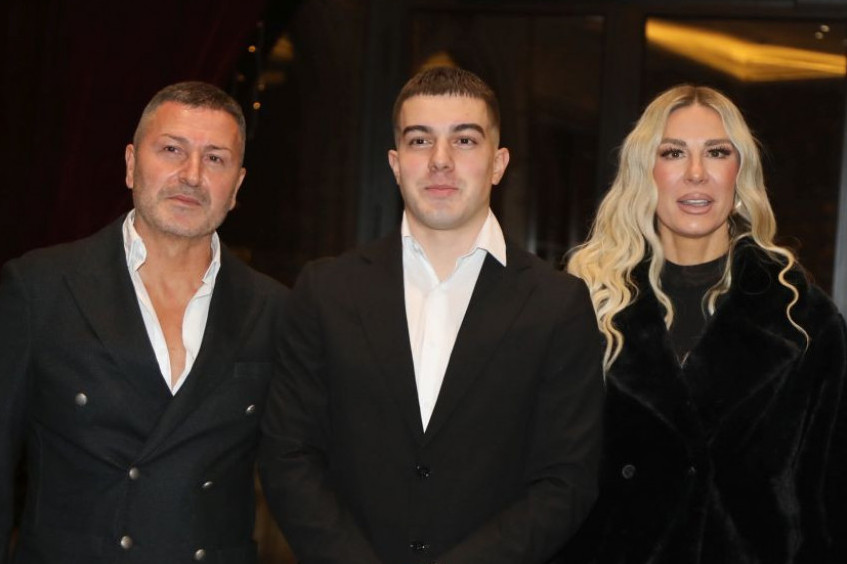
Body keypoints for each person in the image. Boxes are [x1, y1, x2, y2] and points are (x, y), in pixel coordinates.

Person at [258, 66, 604, 564]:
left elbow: (566, 480)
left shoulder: (558, 304)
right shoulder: (326, 290)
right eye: (420, 141)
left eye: (464, 140)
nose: (440, 160)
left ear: (498, 163)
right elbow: (288, 456)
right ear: (396, 163)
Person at [0, 81, 288, 563]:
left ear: (236, 187)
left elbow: (302, 469)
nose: (191, 175)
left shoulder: (275, 309)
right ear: (131, 164)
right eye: (172, 149)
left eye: (215, 158)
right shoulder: (39, 288)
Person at [565, 84, 847, 563]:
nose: (696, 173)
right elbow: (553, 485)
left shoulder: (804, 320)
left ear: (740, 174)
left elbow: (830, 503)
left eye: (717, 152)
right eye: (673, 152)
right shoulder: (589, 304)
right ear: (645, 173)